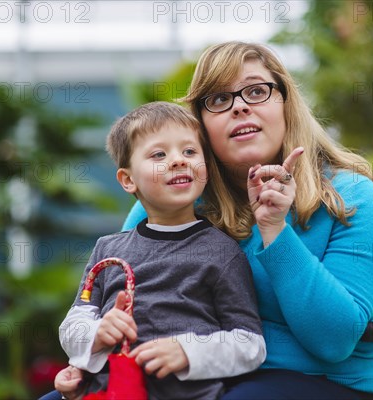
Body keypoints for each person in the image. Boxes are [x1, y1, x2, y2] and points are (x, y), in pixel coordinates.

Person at [122, 42, 373, 399]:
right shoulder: (168, 200)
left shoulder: (354, 198)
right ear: (201, 127)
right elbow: (120, 299)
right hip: (187, 379)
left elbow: (334, 340)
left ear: (286, 103)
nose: (239, 106)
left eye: (256, 91)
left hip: (326, 383)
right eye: (219, 100)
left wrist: (275, 230)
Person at [52, 101, 266, 400]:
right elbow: (73, 327)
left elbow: (250, 344)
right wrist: (97, 334)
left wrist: (188, 352)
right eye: (159, 154)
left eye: (190, 151)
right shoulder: (108, 249)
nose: (179, 160)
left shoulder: (223, 252)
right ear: (128, 180)